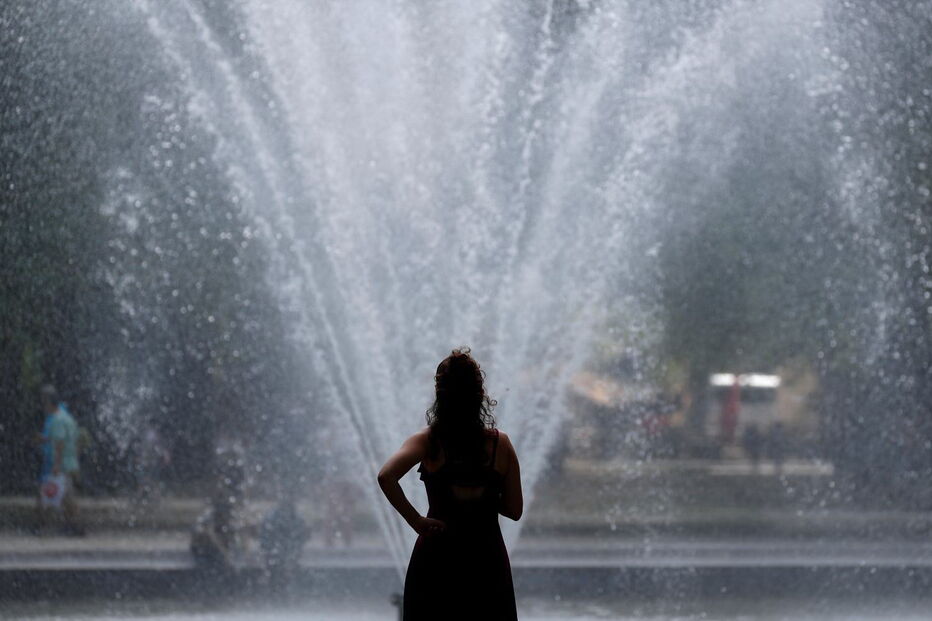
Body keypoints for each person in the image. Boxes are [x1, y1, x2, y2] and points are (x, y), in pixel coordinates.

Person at [378, 348, 522, 621]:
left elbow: (386, 476)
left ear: (440, 395)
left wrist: (416, 521)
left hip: (436, 559)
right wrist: (485, 495)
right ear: (480, 394)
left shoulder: (427, 441)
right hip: (485, 561)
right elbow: (515, 509)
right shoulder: (500, 445)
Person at [37, 385, 84, 535]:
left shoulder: (57, 419)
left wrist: (56, 465)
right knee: (66, 496)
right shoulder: (67, 418)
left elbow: (59, 443)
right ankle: (72, 526)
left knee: (63, 497)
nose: (43, 406)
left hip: (62, 464)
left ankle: (69, 527)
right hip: (70, 463)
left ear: (49, 403)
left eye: (44, 402)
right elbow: (76, 439)